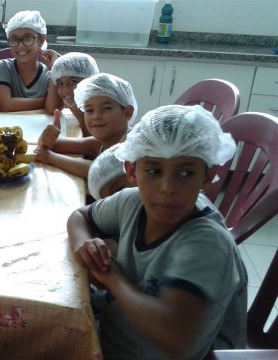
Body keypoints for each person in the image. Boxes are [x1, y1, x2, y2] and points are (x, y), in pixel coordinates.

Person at [67, 105, 247, 359]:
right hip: (112, 339)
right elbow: (79, 216)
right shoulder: (131, 202)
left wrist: (113, 278)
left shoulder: (207, 242)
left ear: (208, 175)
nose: (168, 188)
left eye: (186, 173)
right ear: (131, 171)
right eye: (153, 171)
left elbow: (176, 338)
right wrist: (84, 243)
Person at [36, 72, 137, 180]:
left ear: (127, 113)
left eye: (106, 108)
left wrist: (50, 157)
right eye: (89, 110)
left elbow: (102, 171)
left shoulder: (131, 145)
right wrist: (46, 137)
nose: (96, 116)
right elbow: (54, 145)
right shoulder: (100, 142)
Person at [0, 10, 53, 112]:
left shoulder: (49, 74)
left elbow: (52, 107)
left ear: (41, 41)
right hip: (8, 126)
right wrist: (45, 101)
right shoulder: (4, 67)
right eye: (14, 39)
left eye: (27, 38)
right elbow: (6, 105)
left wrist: (55, 70)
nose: (20, 45)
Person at [45, 52, 100, 137]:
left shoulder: (102, 107)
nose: (65, 90)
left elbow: (96, 144)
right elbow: (52, 108)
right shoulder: (80, 107)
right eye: (60, 83)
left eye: (73, 82)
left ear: (90, 80)